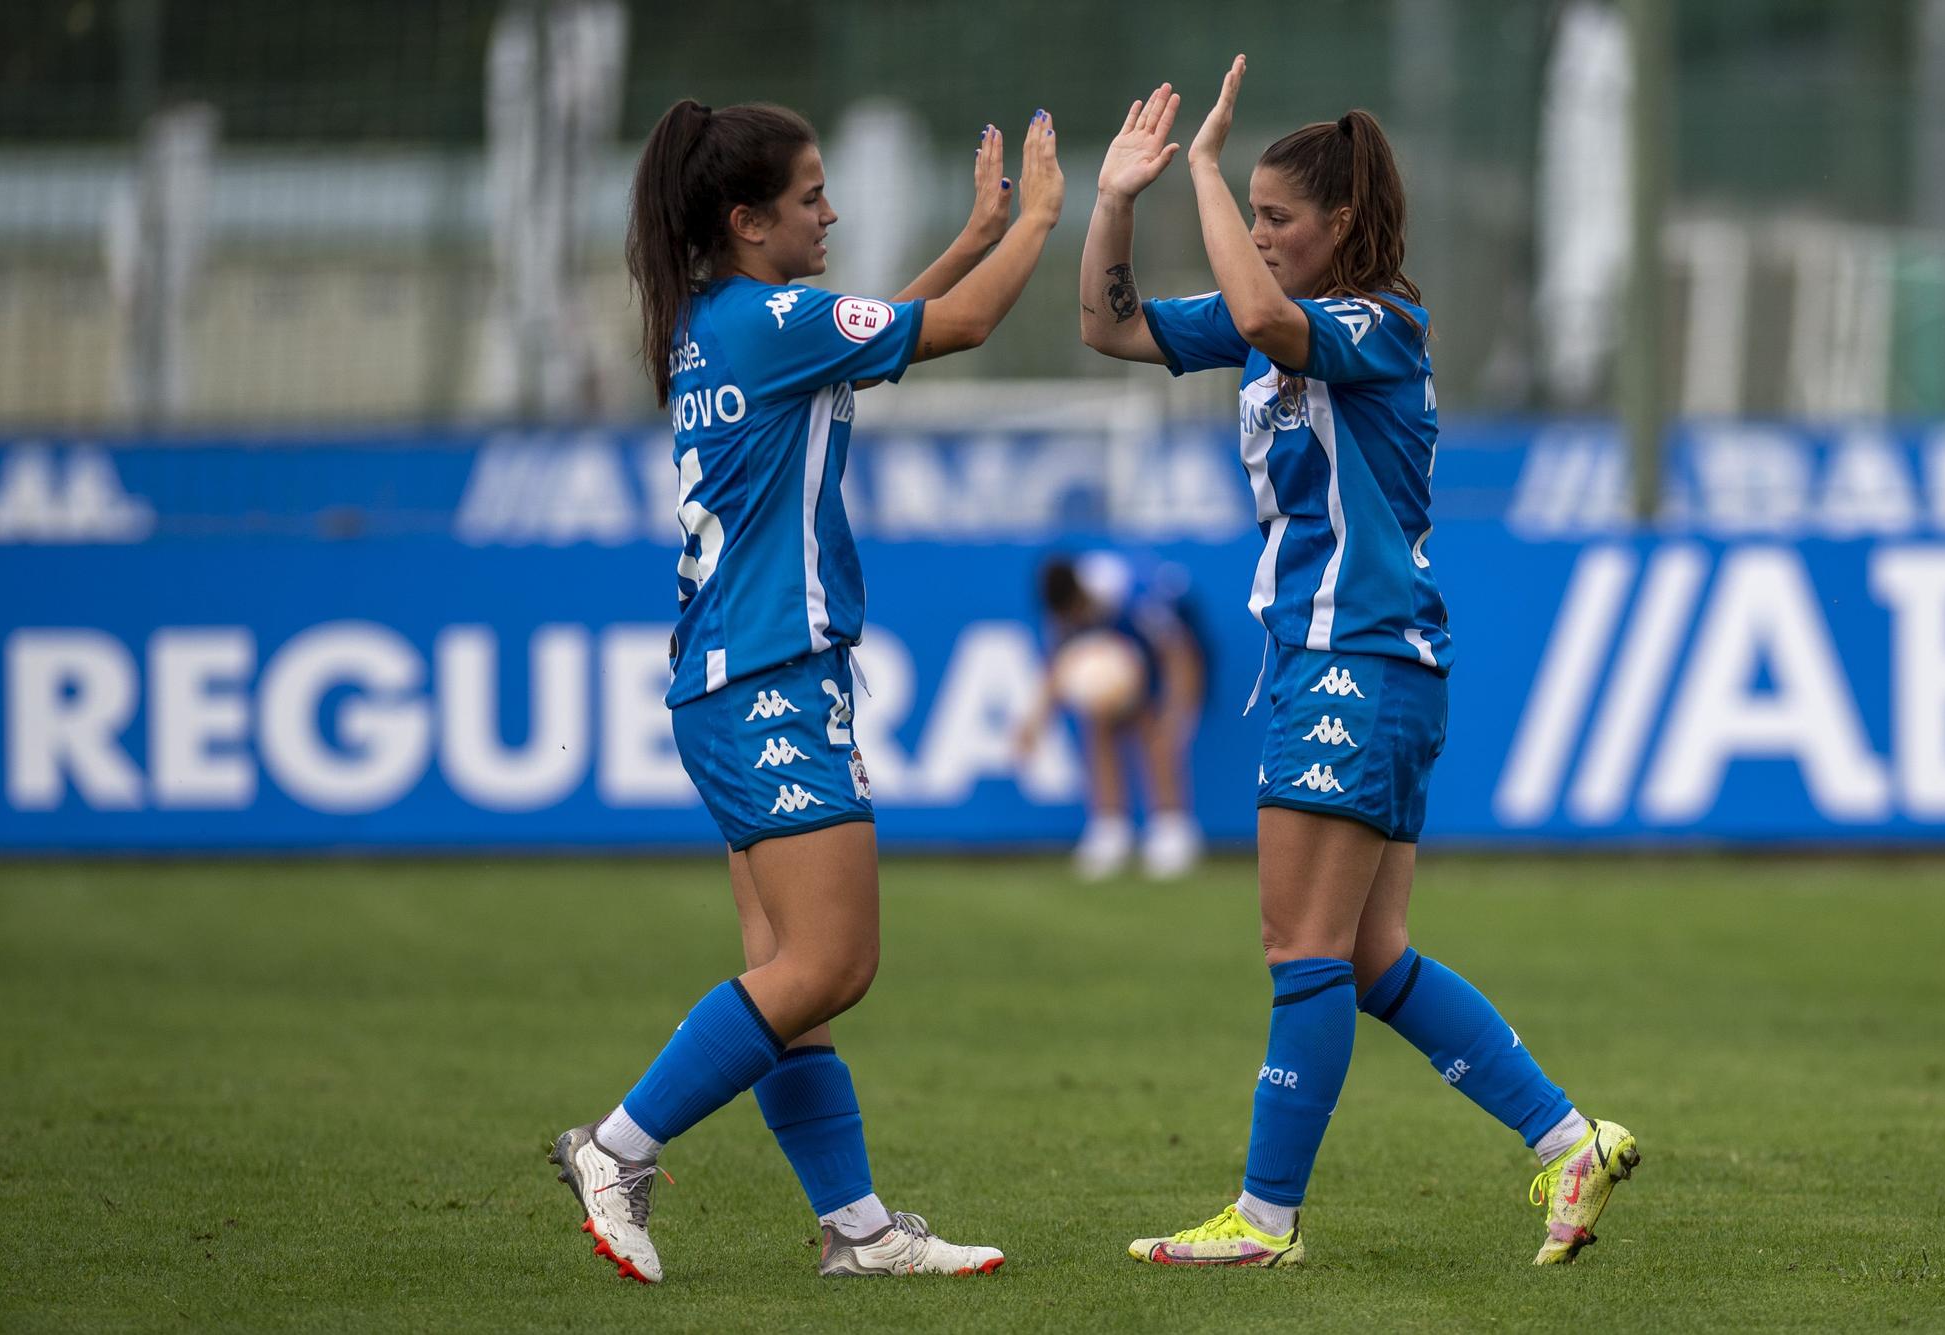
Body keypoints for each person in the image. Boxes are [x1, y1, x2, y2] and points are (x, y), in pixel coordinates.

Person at [1078, 58, 1638, 1268]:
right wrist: (1119, 197)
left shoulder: (1374, 323)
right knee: (1369, 956)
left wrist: (1212, 178)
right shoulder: (1282, 321)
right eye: (1255, 219)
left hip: (1354, 657)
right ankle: (1565, 1143)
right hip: (1350, 662)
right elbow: (1106, 325)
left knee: (1303, 949)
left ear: (1340, 224)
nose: (1262, 236)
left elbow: (1274, 321)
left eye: (1281, 219)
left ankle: (1264, 1220)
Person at [551, 98, 1064, 1283]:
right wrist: (1039, 215)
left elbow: (893, 325)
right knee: (828, 964)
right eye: (811, 196)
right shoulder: (767, 320)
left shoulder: (720, 320)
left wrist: (975, 234)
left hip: (737, 675)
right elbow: (965, 328)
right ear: (746, 221)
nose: (830, 212)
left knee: (793, 984)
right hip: (766, 676)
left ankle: (857, 1229)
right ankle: (618, 1149)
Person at [1016, 550, 1207, 878]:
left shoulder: (1133, 597)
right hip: (1120, 663)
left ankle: (1171, 829)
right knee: (1099, 722)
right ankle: (1110, 827)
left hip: (1166, 654)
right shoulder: (1063, 618)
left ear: (1082, 595)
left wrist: (1178, 713)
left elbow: (1179, 652)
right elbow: (1058, 667)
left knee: (1156, 731)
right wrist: (1034, 723)